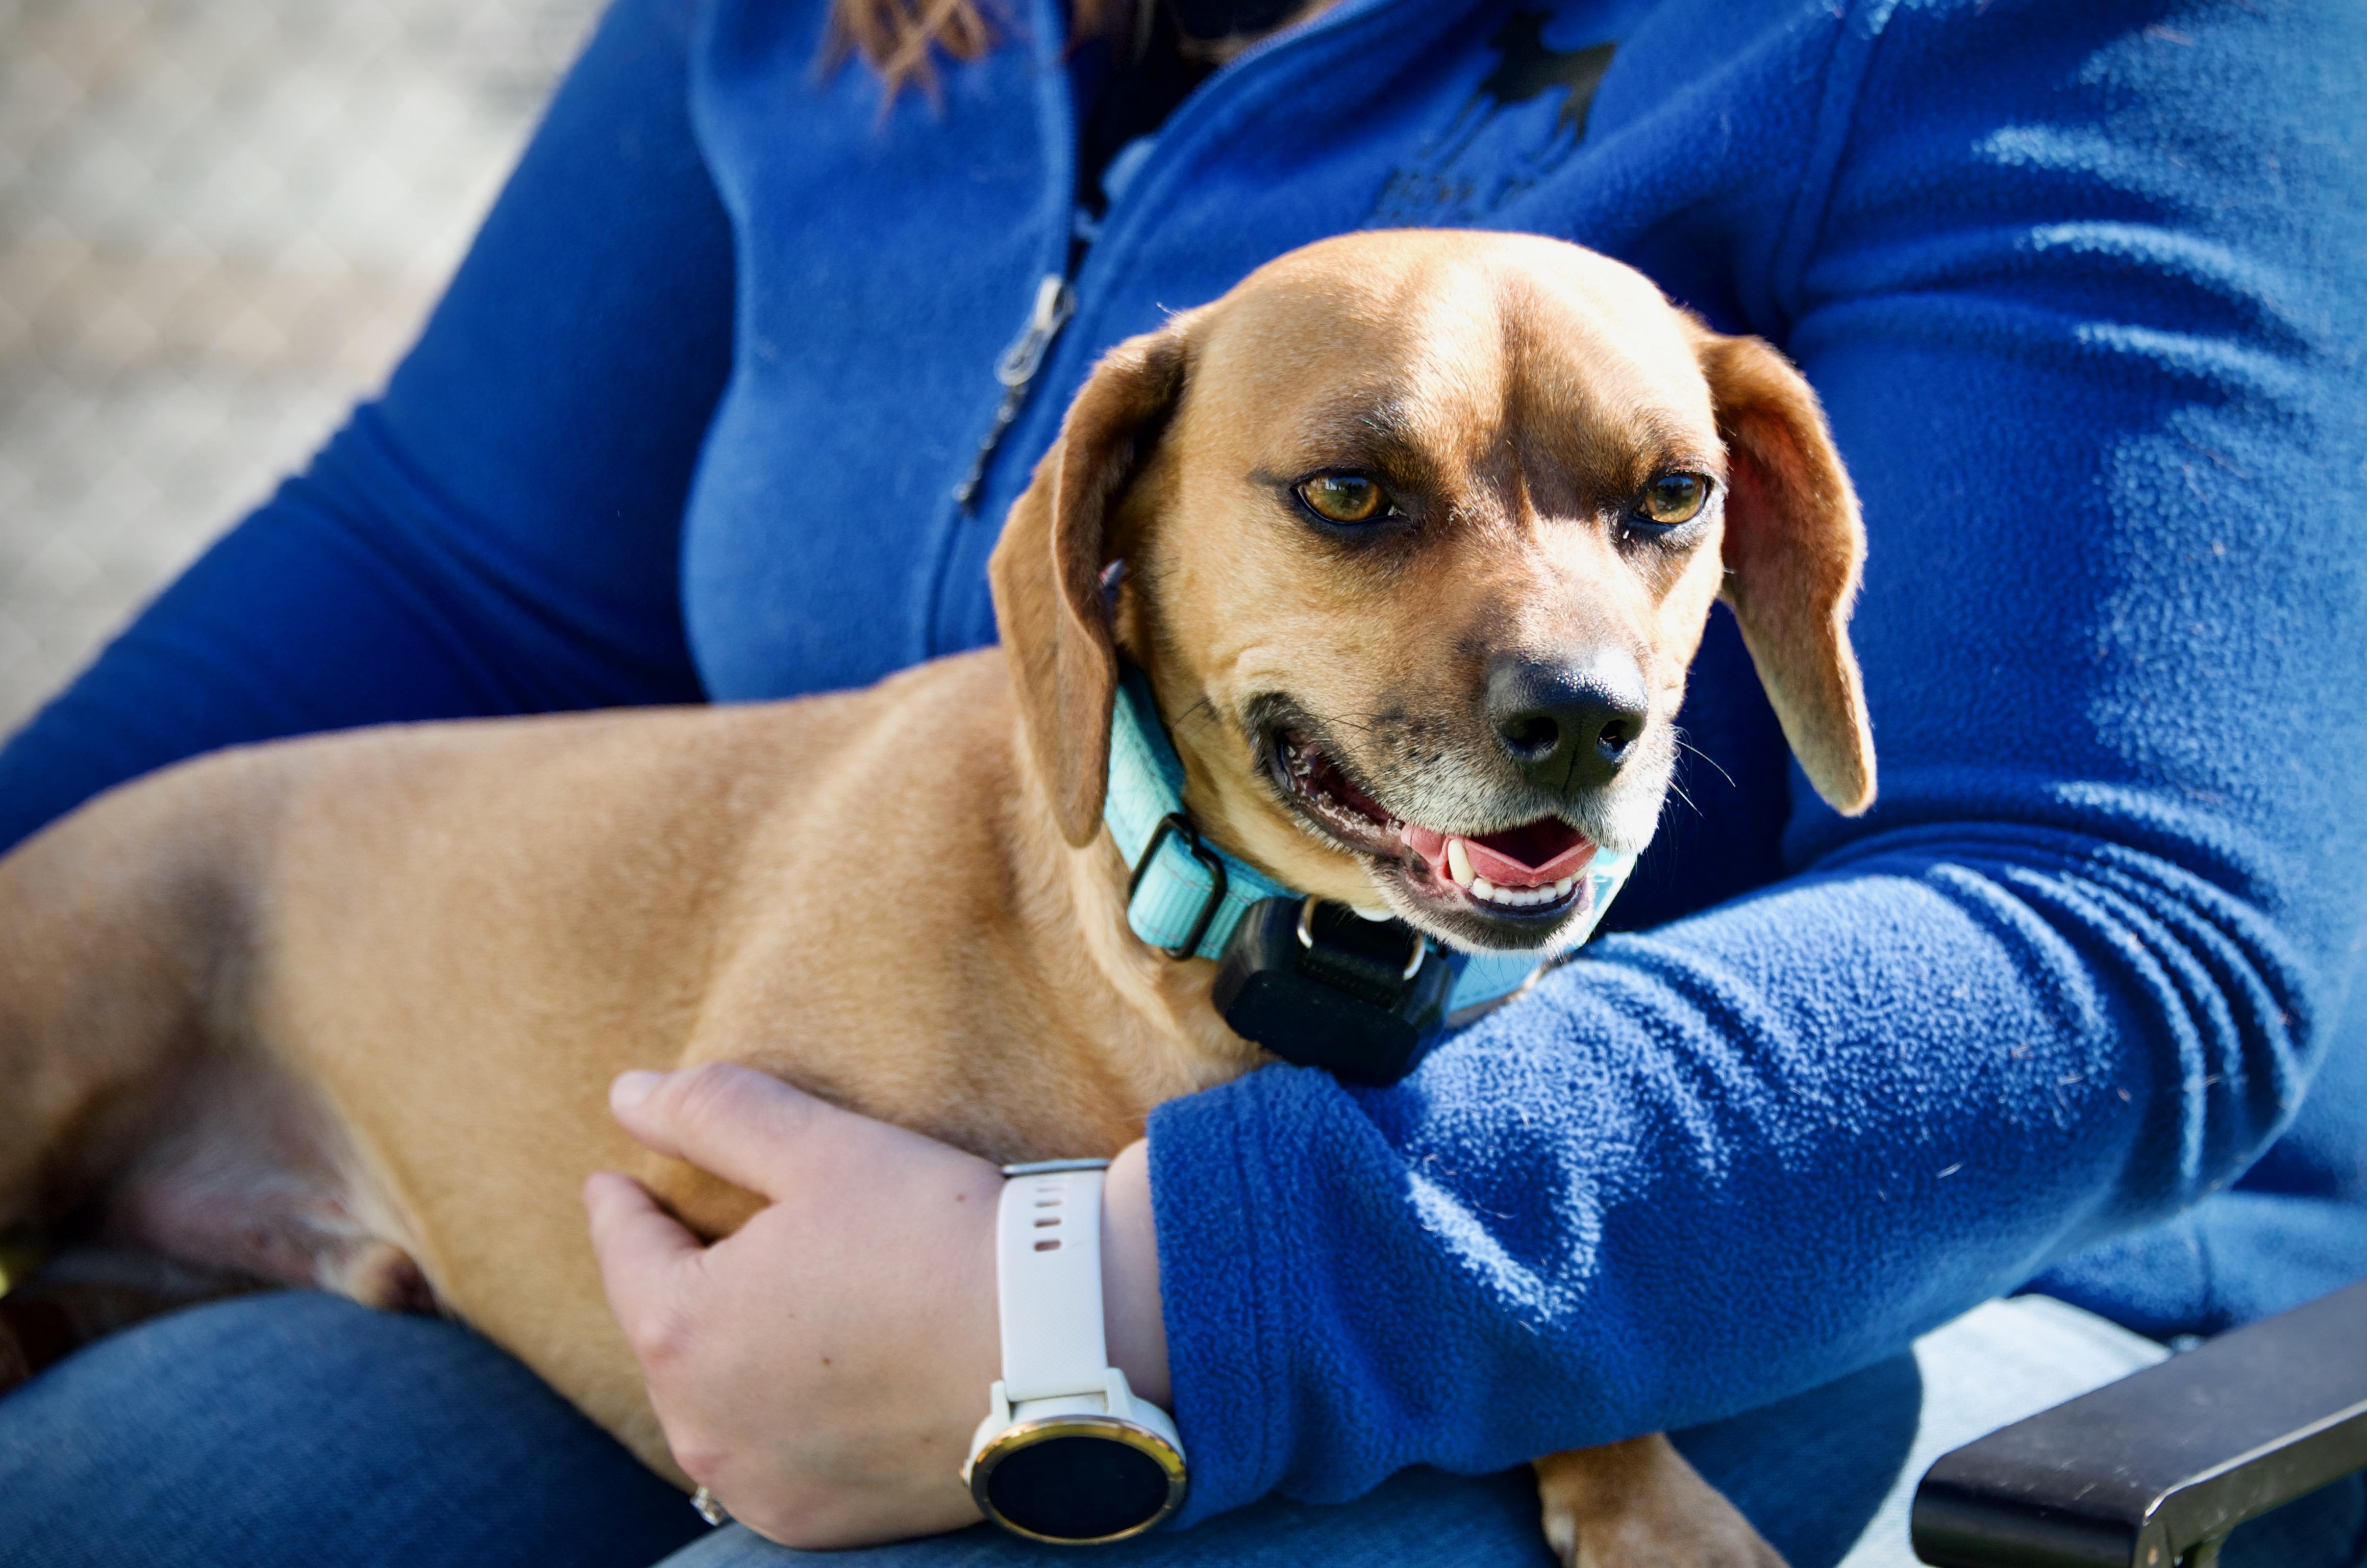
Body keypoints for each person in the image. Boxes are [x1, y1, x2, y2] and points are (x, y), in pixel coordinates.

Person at [2, 0, 2363, 1564]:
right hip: (822, 1237)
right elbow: (455, 569)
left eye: (1649, 513)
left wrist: (1117, 1295)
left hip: (1930, 1281)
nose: (1562, 664)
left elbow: (2119, 928)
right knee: (153, 1496)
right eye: (1357, 501)